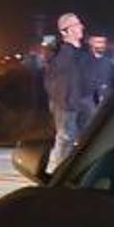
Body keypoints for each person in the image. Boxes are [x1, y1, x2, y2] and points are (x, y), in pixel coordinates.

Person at [45, 12, 88, 171]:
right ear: (65, 31)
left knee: (84, 139)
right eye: (76, 25)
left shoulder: (81, 53)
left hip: (81, 103)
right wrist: (63, 101)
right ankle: (59, 174)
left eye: (80, 23)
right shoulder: (61, 53)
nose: (81, 27)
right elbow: (54, 81)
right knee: (65, 138)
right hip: (66, 103)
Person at [81, 34, 114, 126]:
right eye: (98, 42)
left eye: (103, 42)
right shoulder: (83, 62)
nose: (101, 45)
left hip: (106, 100)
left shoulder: (111, 62)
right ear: (91, 44)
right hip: (88, 102)